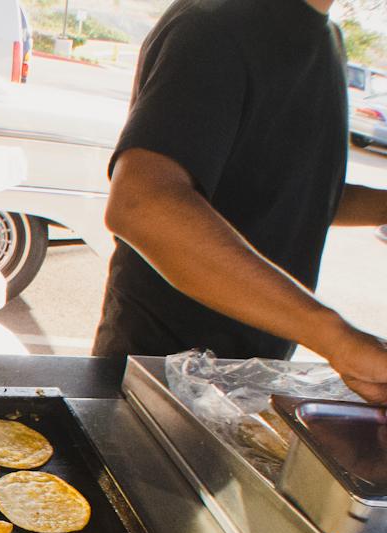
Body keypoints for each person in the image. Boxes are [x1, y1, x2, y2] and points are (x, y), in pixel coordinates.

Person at [93, 0, 387, 404]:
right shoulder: (215, 20)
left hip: (250, 381)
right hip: (158, 381)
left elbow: (296, 194)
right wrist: (336, 337)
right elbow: (142, 205)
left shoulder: (325, 38)